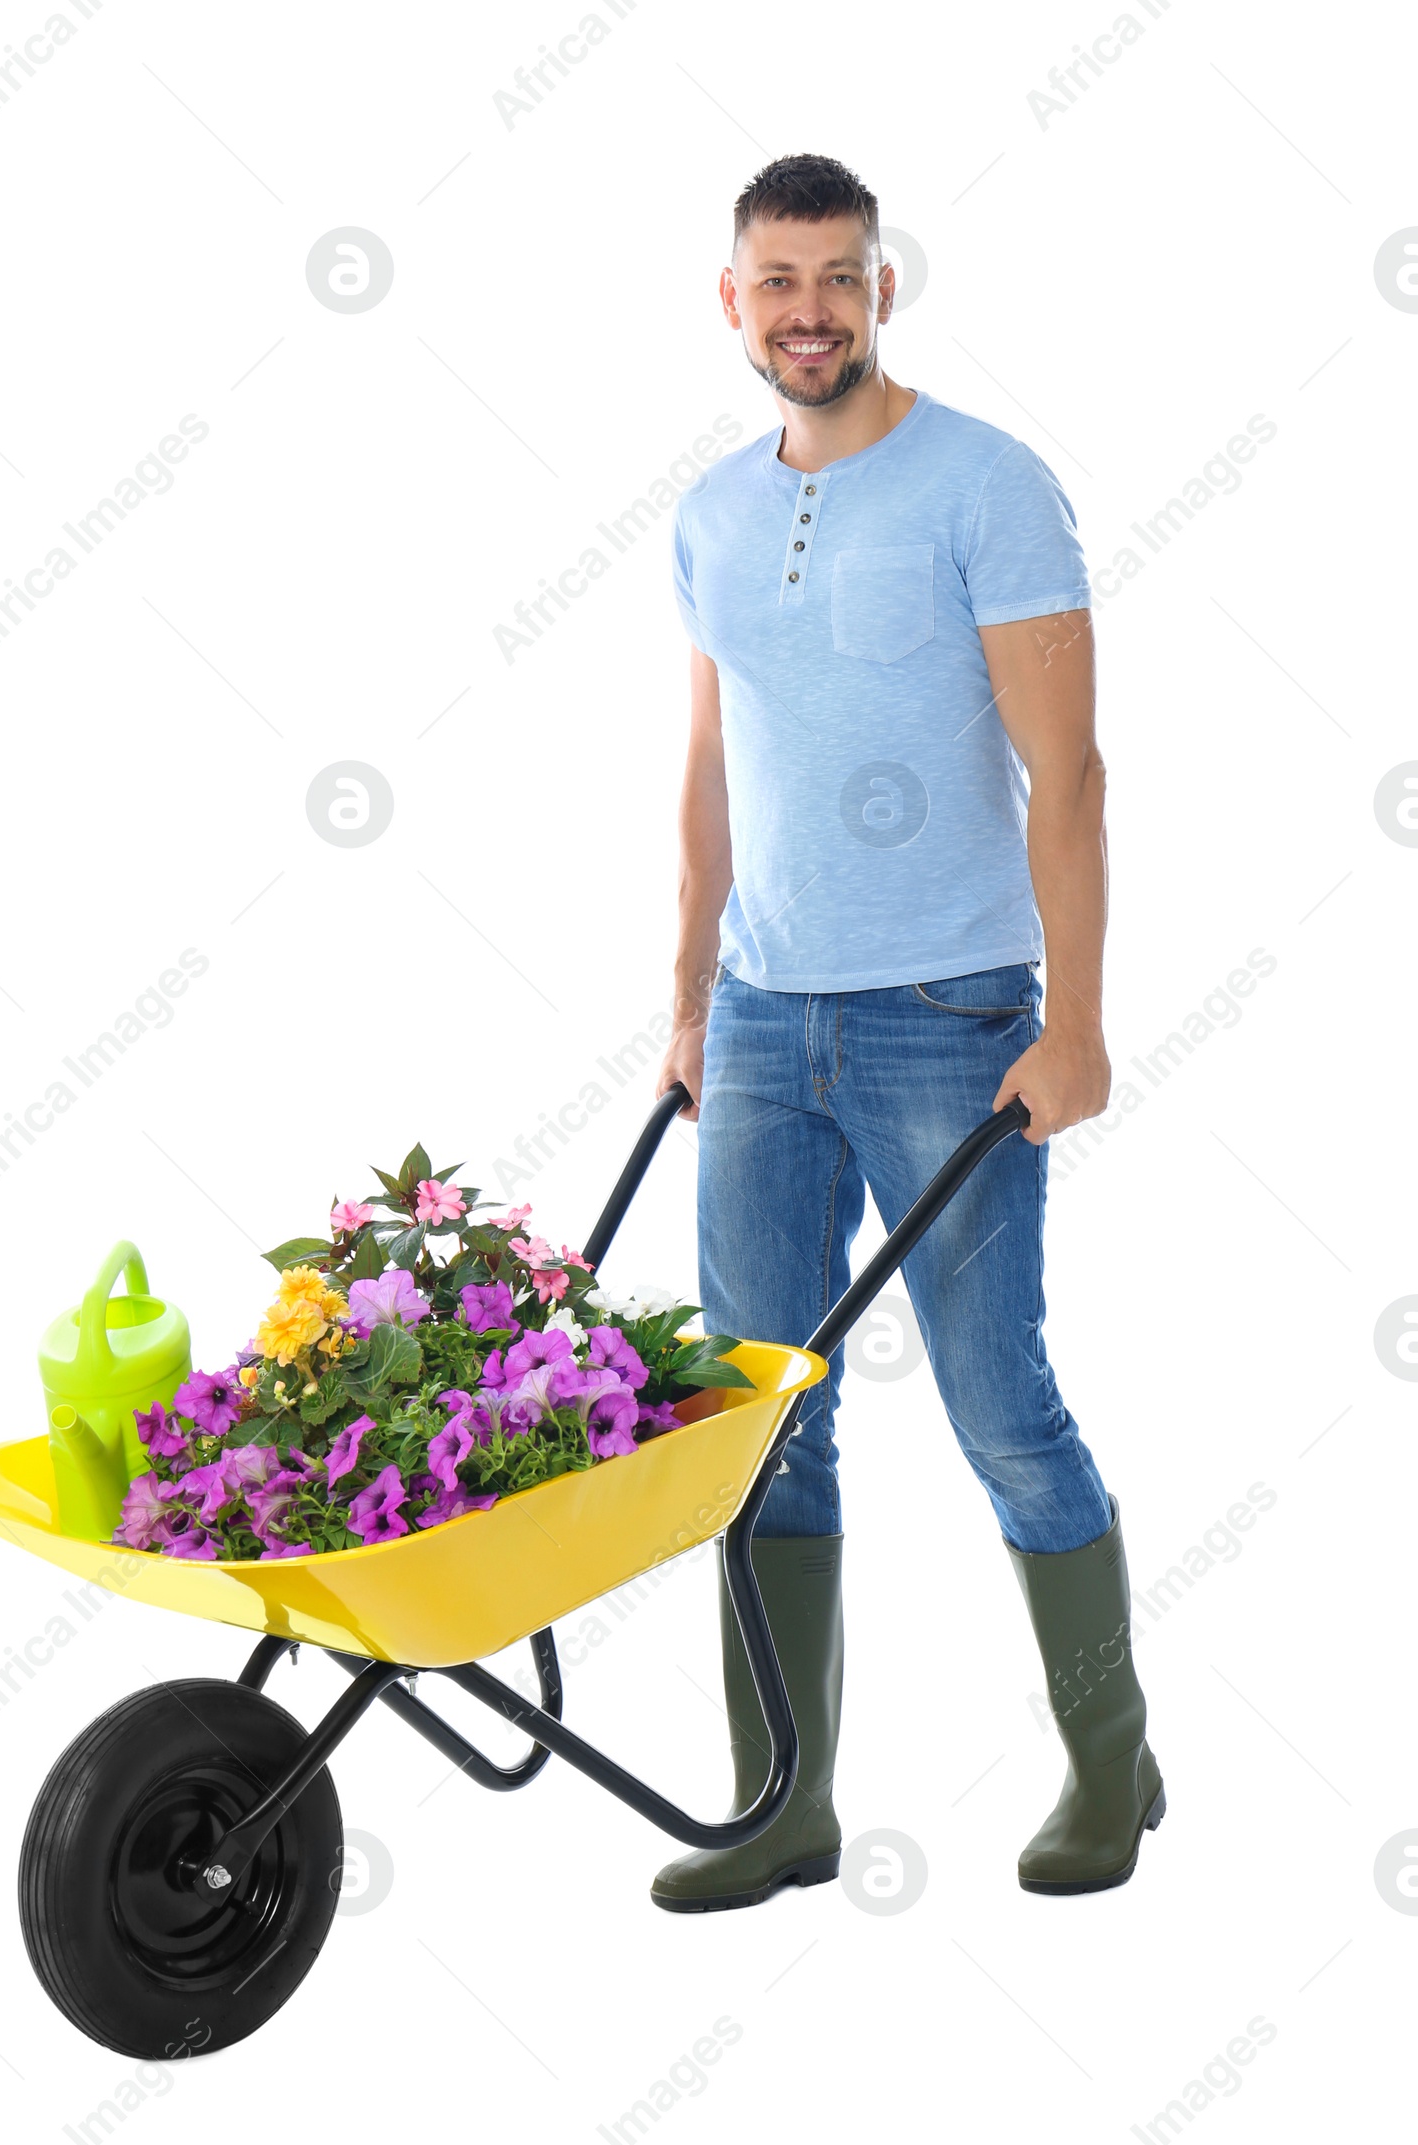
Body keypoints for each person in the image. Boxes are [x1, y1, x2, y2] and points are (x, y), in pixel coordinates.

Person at [651, 152, 1163, 1911]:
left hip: (952, 1020)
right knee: (753, 1415)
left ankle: (1114, 1761)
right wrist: (687, 992)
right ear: (733, 301)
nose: (808, 310)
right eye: (776, 280)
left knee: (1001, 1406)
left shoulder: (987, 486)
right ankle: (784, 1805)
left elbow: (1068, 771)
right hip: (765, 1020)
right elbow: (718, 763)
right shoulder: (712, 513)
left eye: (838, 279)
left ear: (884, 290)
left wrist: (1076, 1022)